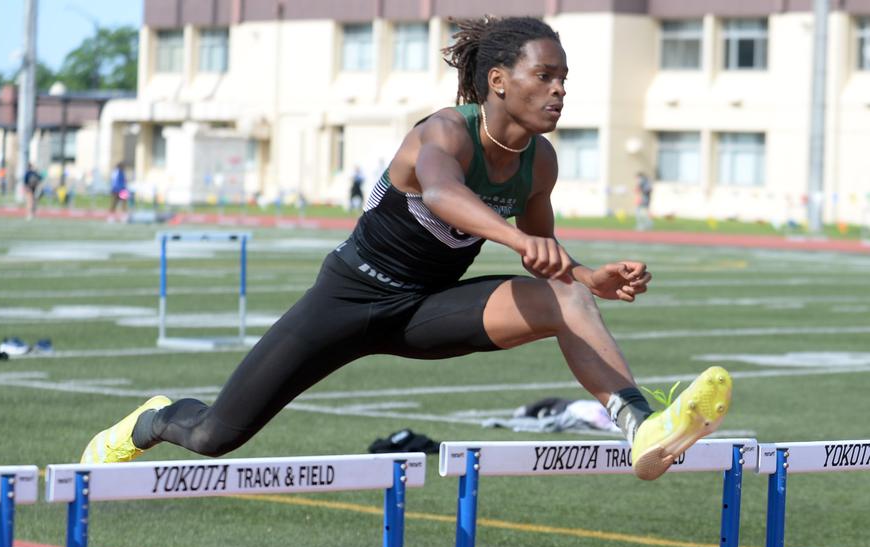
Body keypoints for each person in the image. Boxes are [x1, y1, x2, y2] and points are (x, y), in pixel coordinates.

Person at [81, 16, 732, 481]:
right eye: (547, 76)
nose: (560, 90)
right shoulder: (443, 133)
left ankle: (640, 423)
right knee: (214, 435)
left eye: (565, 78)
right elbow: (447, 195)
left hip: (427, 312)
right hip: (346, 299)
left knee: (561, 295)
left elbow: (547, 247)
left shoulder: (540, 163)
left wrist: (589, 277)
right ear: (499, 80)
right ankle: (155, 418)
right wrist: (513, 237)